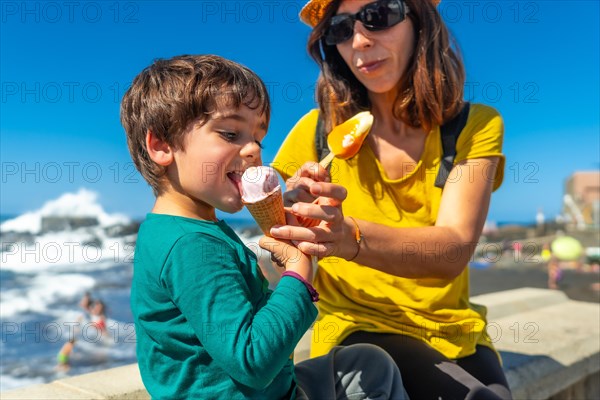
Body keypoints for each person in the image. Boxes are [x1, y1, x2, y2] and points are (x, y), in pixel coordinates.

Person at [121, 54, 407, 399]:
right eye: (231, 133)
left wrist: (287, 216)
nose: (254, 149)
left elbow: (239, 315)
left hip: (274, 388)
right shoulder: (193, 247)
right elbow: (253, 361)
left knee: (368, 363)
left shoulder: (174, 230)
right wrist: (300, 274)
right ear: (162, 145)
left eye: (258, 138)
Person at [270, 0, 512, 398]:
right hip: (356, 327)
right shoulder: (314, 132)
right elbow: (276, 257)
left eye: (378, 16)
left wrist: (347, 237)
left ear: (419, 20)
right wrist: (292, 228)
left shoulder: (475, 125)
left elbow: (453, 249)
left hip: (453, 327)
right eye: (340, 30)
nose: (360, 41)